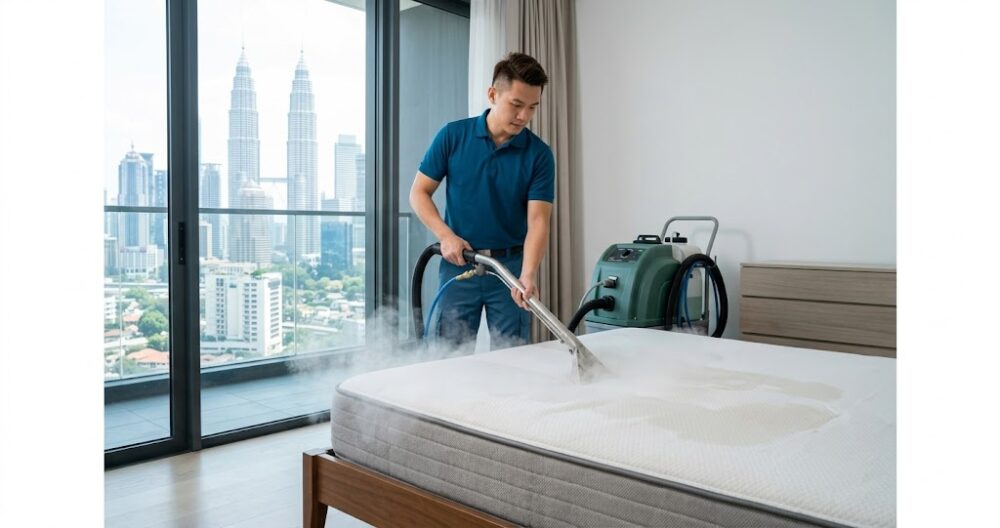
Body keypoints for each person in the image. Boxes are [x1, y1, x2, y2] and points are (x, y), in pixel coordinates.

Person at [409, 52, 554, 348]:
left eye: (532, 108)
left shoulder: (539, 154)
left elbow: (538, 220)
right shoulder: (453, 136)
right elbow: (418, 193)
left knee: (513, 359)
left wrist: (528, 274)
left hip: (509, 272)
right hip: (460, 263)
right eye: (516, 104)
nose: (524, 116)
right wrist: (445, 236)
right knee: (448, 356)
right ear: (492, 94)